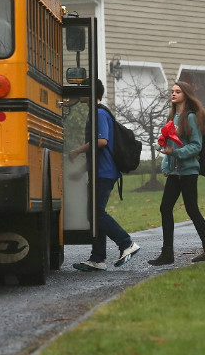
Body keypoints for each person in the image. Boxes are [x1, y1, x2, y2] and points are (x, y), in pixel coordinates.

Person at [69, 79, 140, 271]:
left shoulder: (99, 114)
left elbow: (101, 141)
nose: (79, 93)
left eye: (83, 89)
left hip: (105, 172)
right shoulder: (97, 113)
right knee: (94, 214)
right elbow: (97, 152)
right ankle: (98, 258)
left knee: (96, 213)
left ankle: (126, 243)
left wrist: (76, 151)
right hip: (99, 171)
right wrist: (81, 170)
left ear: (91, 93)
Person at [148, 81, 205, 265]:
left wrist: (176, 153)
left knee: (192, 209)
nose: (173, 94)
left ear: (186, 95)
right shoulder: (173, 116)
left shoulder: (191, 117)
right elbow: (169, 145)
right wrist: (166, 164)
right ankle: (167, 253)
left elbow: (196, 146)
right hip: (174, 172)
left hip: (188, 172)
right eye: (172, 91)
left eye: (177, 92)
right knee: (165, 208)